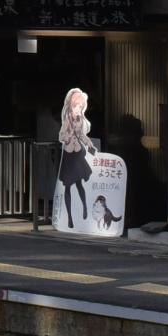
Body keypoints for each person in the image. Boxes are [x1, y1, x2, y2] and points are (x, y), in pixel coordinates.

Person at [57, 87, 95, 229]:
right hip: (68, 154)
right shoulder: (67, 120)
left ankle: (85, 207)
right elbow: (61, 135)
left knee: (79, 184)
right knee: (67, 186)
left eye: (80, 106)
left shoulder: (79, 121)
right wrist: (67, 137)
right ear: (70, 106)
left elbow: (82, 136)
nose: (78, 108)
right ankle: (70, 219)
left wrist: (90, 146)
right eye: (76, 106)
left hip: (78, 153)